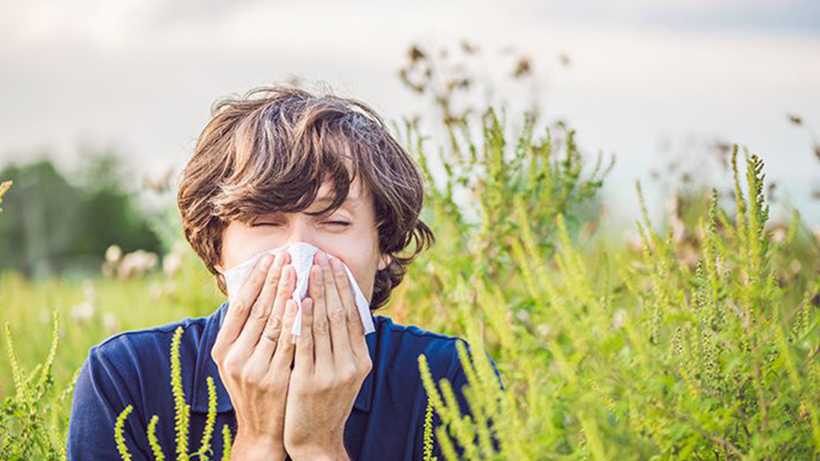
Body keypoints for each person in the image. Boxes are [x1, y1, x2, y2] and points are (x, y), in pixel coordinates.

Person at [67, 85, 502, 460]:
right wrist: (257, 443)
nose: (300, 252)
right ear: (216, 247)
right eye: (265, 222)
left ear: (383, 245)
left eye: (334, 222)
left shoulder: (449, 379)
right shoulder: (128, 379)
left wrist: (320, 448)